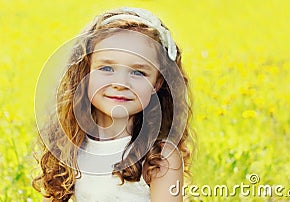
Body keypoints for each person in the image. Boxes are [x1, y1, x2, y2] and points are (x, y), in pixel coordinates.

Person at [33, 7, 195, 202]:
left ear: (157, 83)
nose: (120, 84)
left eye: (138, 72)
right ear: (86, 72)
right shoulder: (70, 145)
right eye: (107, 68)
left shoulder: (159, 157)